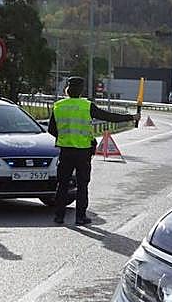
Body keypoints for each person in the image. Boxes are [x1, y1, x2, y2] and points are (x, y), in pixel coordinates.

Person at [49, 76, 136, 226]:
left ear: (67, 90)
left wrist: (64, 136)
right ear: (82, 90)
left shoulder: (58, 106)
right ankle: (80, 217)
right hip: (83, 152)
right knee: (82, 185)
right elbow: (108, 117)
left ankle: (59, 216)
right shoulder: (87, 105)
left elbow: (51, 129)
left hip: (65, 151)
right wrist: (131, 117)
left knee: (62, 185)